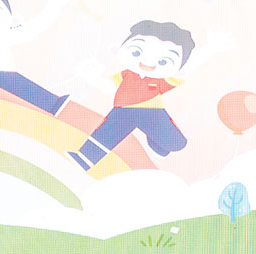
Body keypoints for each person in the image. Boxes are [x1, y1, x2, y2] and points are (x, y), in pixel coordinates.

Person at [68, 20, 194, 171]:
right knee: (106, 133)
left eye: (162, 61)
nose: (147, 63)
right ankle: (85, 158)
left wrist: (210, 50)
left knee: (175, 142)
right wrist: (89, 75)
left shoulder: (159, 80)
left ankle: (160, 146)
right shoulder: (126, 75)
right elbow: (108, 87)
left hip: (151, 111)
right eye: (136, 52)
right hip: (123, 109)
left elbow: (182, 73)